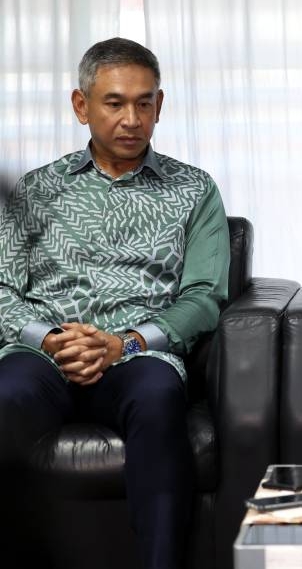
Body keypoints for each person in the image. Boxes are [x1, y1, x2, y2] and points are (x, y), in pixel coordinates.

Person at [0, 38, 230, 569]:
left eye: (144, 103)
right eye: (115, 103)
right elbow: (4, 290)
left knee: (157, 396)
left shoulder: (194, 191)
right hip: (44, 355)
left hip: (137, 355)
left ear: (159, 106)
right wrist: (50, 339)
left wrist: (124, 343)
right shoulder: (35, 190)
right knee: (4, 395)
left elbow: (204, 297)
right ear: (81, 106)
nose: (132, 119)